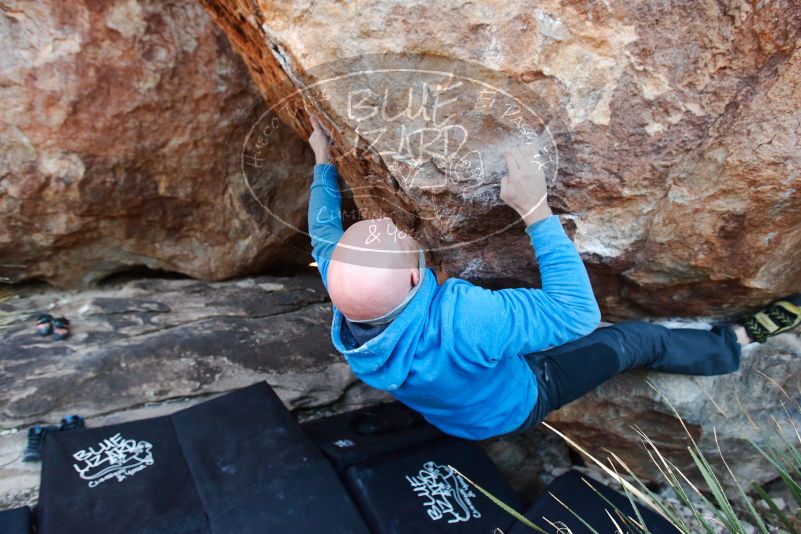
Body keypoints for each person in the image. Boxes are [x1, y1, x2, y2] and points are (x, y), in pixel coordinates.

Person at [305, 114, 801, 439]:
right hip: (519, 400)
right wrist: (536, 210)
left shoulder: (353, 296)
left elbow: (323, 232)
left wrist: (322, 162)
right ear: (415, 283)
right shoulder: (466, 319)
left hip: (457, 416)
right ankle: (734, 341)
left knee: (524, 335)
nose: (388, 223)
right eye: (394, 236)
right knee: (632, 342)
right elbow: (577, 313)